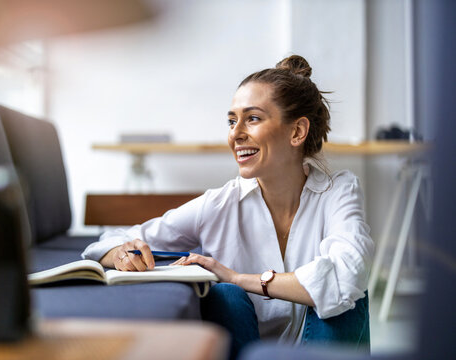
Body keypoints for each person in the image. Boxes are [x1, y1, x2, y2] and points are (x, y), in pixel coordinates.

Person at [82, 55, 374, 358]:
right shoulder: (218, 205)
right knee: (226, 295)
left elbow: (347, 274)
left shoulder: (338, 190)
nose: (235, 134)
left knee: (348, 298)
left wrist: (239, 278)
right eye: (232, 121)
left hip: (318, 347)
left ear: (297, 132)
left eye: (253, 118)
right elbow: (117, 238)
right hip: (246, 347)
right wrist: (120, 253)